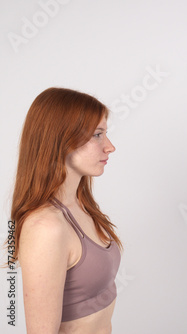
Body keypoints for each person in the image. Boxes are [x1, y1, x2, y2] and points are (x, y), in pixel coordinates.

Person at [10, 87, 122, 333]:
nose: (110, 146)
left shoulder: (82, 205)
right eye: (97, 135)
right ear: (61, 139)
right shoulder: (46, 227)